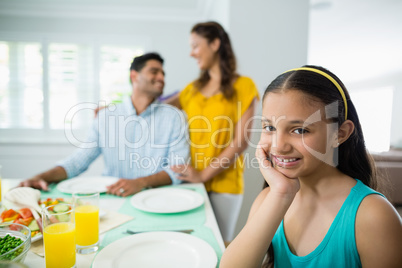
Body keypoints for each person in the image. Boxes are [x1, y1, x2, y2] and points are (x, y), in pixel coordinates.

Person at [220, 66, 402, 267]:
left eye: (299, 130)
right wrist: (281, 194)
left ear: (339, 134)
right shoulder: (269, 199)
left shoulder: (373, 216)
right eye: (269, 127)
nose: (278, 146)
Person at [19, 52, 190, 197]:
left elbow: (177, 169)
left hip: (156, 198)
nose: (161, 77)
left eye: (163, 73)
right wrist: (41, 176)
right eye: (154, 72)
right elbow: (78, 161)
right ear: (134, 75)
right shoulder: (106, 117)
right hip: (112, 197)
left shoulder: (174, 118)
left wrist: (140, 182)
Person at [166, 21, 260, 243]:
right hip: (189, 181)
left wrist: (203, 175)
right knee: (190, 243)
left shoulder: (244, 86)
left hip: (224, 184)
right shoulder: (192, 89)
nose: (192, 53)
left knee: (218, 246)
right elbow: (155, 108)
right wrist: (112, 110)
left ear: (215, 44)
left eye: (196, 46)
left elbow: (240, 142)